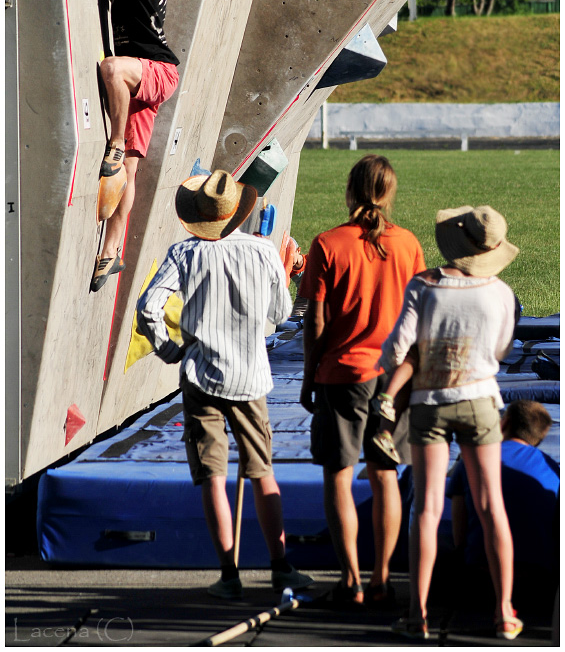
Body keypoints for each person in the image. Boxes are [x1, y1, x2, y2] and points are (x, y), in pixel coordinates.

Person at [136, 169, 313, 599]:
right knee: (263, 474)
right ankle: (281, 566)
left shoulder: (184, 254)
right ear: (237, 209)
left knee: (213, 476)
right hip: (250, 376)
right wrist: (285, 271)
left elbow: (148, 308)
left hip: (201, 375)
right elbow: (282, 314)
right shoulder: (264, 251)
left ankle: (229, 576)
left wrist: (170, 349)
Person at [380, 204, 523, 641]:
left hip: (428, 403)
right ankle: (504, 611)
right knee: (491, 507)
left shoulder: (424, 286)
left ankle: (417, 613)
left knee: (427, 509)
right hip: (479, 400)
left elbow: (395, 350)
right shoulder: (500, 293)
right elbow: (500, 351)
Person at [299, 155, 425, 607]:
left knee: (338, 474)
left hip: (341, 373)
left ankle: (350, 580)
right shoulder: (408, 244)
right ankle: (383, 578)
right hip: (393, 379)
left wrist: (309, 374)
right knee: (385, 474)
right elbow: (418, 317)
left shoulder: (328, 243)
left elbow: (315, 319)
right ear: (388, 193)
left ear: (351, 192)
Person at [80, 0, 182, 292]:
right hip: (145, 76)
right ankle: (109, 252)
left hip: (155, 71)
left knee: (111, 68)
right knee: (131, 175)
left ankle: (115, 142)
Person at [447, 400, 559, 606]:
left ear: (503, 424)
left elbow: (459, 536)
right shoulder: (553, 469)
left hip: (482, 577)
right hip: (539, 582)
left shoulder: (472, 459)